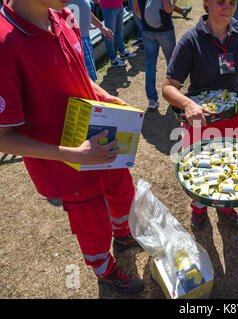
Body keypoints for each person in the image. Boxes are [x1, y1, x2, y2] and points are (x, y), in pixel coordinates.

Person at [0, 0, 144, 294]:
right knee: (92, 223)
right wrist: (74, 155)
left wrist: (104, 96)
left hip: (98, 134)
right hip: (66, 163)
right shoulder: (5, 43)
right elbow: (3, 135)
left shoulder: (61, 15)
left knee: (122, 189)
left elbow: (81, 75)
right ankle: (104, 268)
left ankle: (124, 234)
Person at [162, 0, 238, 230]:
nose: (227, 7)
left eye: (232, 2)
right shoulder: (191, 40)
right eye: (220, 2)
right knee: (201, 167)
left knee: (232, 164)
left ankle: (226, 204)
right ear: (206, 2)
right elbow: (168, 86)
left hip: (234, 118)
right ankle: (199, 208)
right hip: (202, 122)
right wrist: (187, 104)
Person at [134, 0, 176, 110]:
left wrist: (146, 22)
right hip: (165, 30)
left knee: (150, 65)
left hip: (146, 31)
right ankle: (173, 96)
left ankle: (152, 100)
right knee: (171, 62)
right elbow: (168, 8)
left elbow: (136, 10)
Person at [67, 0, 114, 82]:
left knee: (89, 79)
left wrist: (101, 27)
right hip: (75, 42)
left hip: (84, 39)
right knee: (85, 80)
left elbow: (87, 12)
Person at [94, 0, 136, 67]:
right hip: (108, 7)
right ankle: (113, 59)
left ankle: (122, 52)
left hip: (119, 4)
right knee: (109, 34)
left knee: (119, 31)